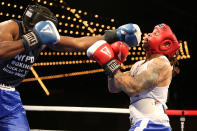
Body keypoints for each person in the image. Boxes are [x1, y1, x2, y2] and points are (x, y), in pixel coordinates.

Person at [0, 4, 141, 131]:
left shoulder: (43, 39)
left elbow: (77, 43)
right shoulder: (10, 27)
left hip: (10, 96)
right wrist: (31, 39)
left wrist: (114, 35)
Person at [87, 23, 179, 130]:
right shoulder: (138, 65)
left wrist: (109, 62)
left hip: (152, 123)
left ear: (165, 44)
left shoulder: (161, 63)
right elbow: (114, 87)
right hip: (144, 123)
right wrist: (114, 62)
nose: (149, 34)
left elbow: (133, 88)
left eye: (155, 34)